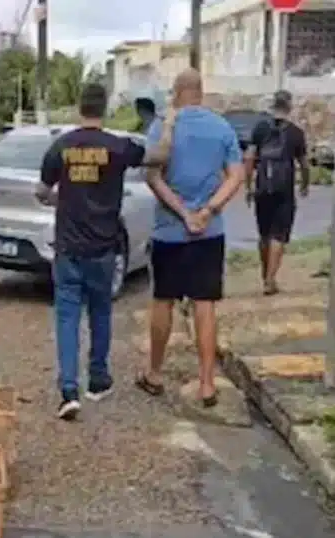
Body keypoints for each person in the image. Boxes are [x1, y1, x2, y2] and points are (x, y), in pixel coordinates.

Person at [36, 83, 149, 421]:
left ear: (78, 108)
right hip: (104, 247)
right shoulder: (118, 147)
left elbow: (42, 191)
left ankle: (68, 391)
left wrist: (63, 199)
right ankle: (98, 380)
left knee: (67, 317)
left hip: (69, 247)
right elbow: (153, 154)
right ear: (105, 110)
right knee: (100, 312)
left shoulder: (62, 147)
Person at [138, 68, 245, 408]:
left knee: (163, 300)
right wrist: (208, 211)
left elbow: (153, 177)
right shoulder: (222, 128)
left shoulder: (162, 126)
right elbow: (236, 176)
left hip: (169, 231)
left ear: (177, 91)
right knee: (204, 304)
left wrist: (183, 214)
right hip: (209, 233)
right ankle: (207, 383)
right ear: (200, 91)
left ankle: (154, 373)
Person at [244, 90, 309, 295]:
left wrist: (248, 186)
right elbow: (304, 164)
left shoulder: (260, 128)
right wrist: (305, 184)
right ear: (289, 107)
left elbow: (249, 158)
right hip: (284, 189)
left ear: (273, 106)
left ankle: (265, 275)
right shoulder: (296, 133)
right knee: (278, 235)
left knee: (264, 235)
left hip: (263, 186)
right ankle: (270, 279)